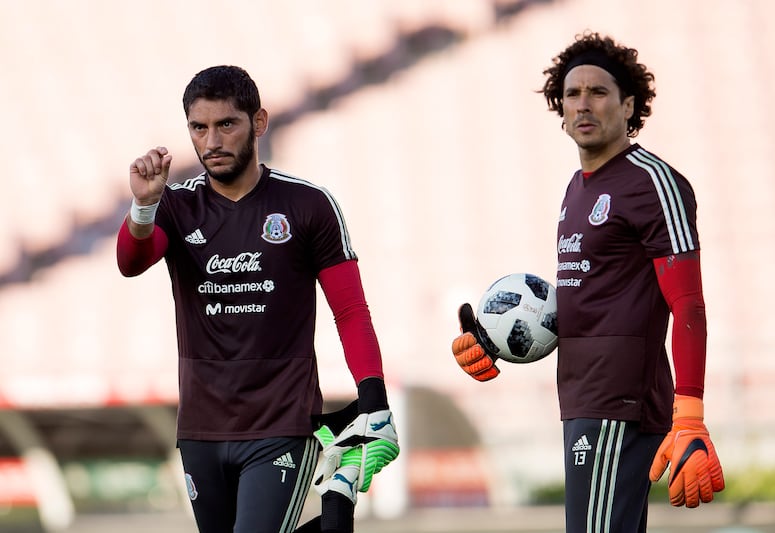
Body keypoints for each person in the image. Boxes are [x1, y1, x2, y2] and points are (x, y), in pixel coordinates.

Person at [451, 32, 724, 532]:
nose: (583, 104)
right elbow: (590, 303)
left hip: (620, 403)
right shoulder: (575, 189)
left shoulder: (652, 182)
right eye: (573, 94)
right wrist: (496, 339)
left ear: (629, 105)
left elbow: (688, 304)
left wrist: (690, 415)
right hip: (581, 398)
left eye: (598, 92)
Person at [116, 65, 398, 533]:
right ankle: (338, 503)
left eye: (226, 124)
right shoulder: (176, 205)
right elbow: (131, 261)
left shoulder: (308, 205)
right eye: (198, 128)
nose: (211, 142)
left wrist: (373, 396)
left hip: (281, 423)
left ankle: (336, 507)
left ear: (259, 122)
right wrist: (144, 205)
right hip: (201, 429)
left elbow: (349, 311)